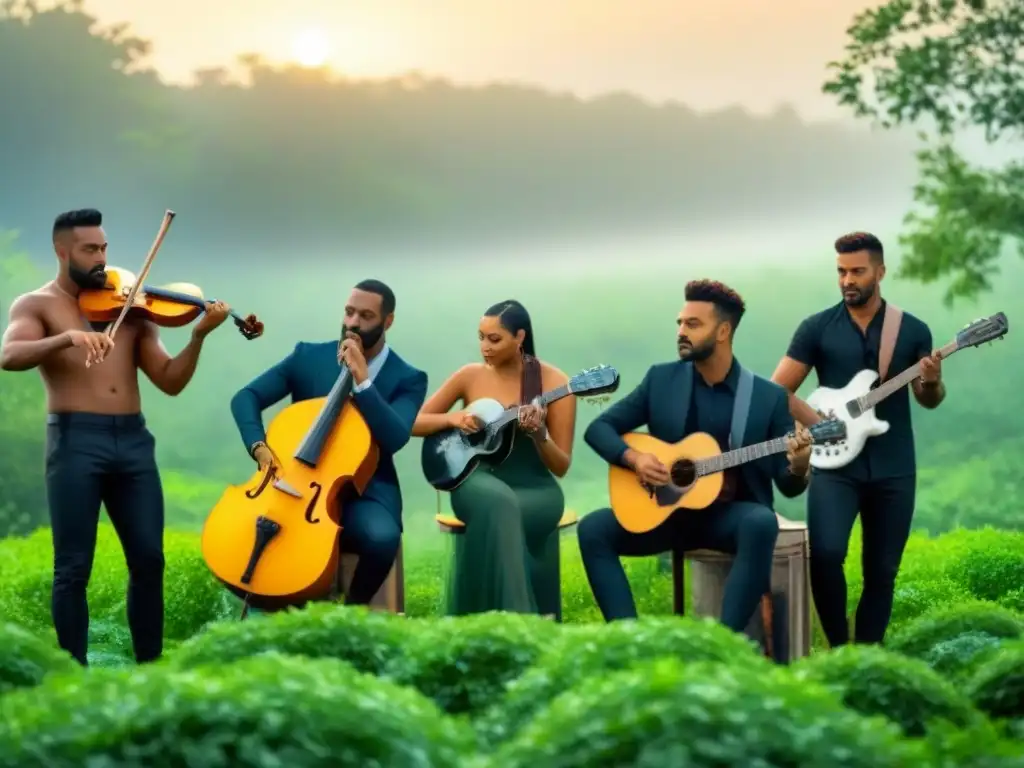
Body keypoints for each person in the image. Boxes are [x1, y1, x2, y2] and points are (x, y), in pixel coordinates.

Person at [0, 208, 231, 666]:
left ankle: (150, 668)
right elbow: (10, 355)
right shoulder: (36, 305)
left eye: (104, 248)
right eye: (90, 249)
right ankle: (74, 672)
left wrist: (199, 337)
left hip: (133, 442)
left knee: (149, 560)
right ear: (62, 251)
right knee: (73, 567)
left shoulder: (132, 310)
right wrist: (66, 339)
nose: (102, 258)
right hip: (74, 441)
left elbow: (169, 380)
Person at [578, 279, 812, 631]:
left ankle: (722, 644)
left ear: (723, 331)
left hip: (729, 520)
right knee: (594, 528)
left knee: (761, 522)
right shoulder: (661, 380)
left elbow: (788, 485)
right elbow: (599, 429)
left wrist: (800, 464)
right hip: (666, 513)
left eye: (692, 324)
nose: (681, 332)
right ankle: (626, 639)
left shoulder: (766, 397)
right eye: (680, 323)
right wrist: (635, 458)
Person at [771, 232, 944, 647]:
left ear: (880, 272)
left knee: (882, 569)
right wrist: (819, 421)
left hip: (894, 464)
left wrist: (931, 383)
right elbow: (778, 390)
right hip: (834, 464)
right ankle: (838, 648)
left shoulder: (912, 330)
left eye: (857, 271)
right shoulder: (816, 328)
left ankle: (867, 652)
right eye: (841, 272)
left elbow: (929, 400)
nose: (848, 280)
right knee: (827, 554)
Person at [230, 279, 427, 607]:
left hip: (367, 489)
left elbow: (395, 437)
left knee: (382, 539)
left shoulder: (408, 377)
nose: (353, 323)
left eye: (366, 316)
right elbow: (246, 397)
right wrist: (258, 445)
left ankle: (352, 612)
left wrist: (363, 381)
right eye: (349, 312)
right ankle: (268, 605)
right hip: (298, 483)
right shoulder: (307, 355)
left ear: (387, 321)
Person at [411, 299, 576, 616]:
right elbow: (414, 423)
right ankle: (520, 621)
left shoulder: (556, 384)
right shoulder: (469, 376)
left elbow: (561, 466)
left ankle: (482, 623)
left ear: (520, 337)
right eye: (481, 337)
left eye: (494, 339)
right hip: (476, 481)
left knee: (503, 513)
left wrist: (539, 434)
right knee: (499, 503)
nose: (485, 347)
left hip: (537, 489)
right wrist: (453, 420)